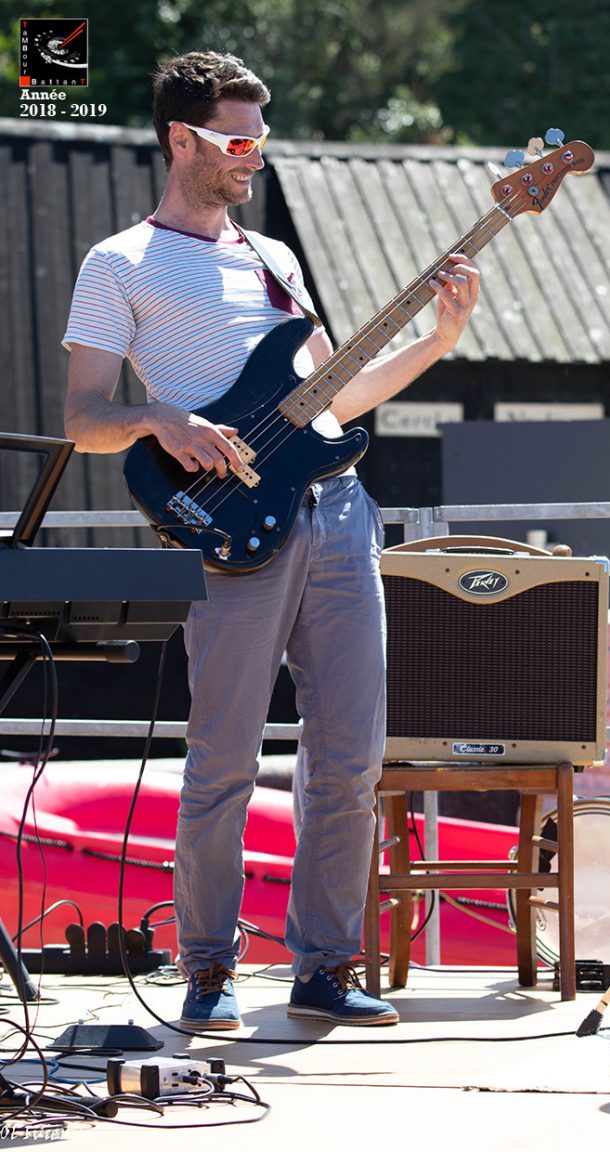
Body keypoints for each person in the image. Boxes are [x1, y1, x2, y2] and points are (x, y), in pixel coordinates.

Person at [62, 49, 480, 1030]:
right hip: (228, 528)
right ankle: (208, 968)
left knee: (352, 759)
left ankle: (325, 966)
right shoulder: (117, 263)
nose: (257, 155)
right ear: (182, 140)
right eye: (239, 140)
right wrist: (160, 419)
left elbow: (334, 399)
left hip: (340, 513)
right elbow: (83, 418)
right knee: (224, 760)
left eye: (261, 138)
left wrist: (437, 343)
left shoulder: (275, 260)